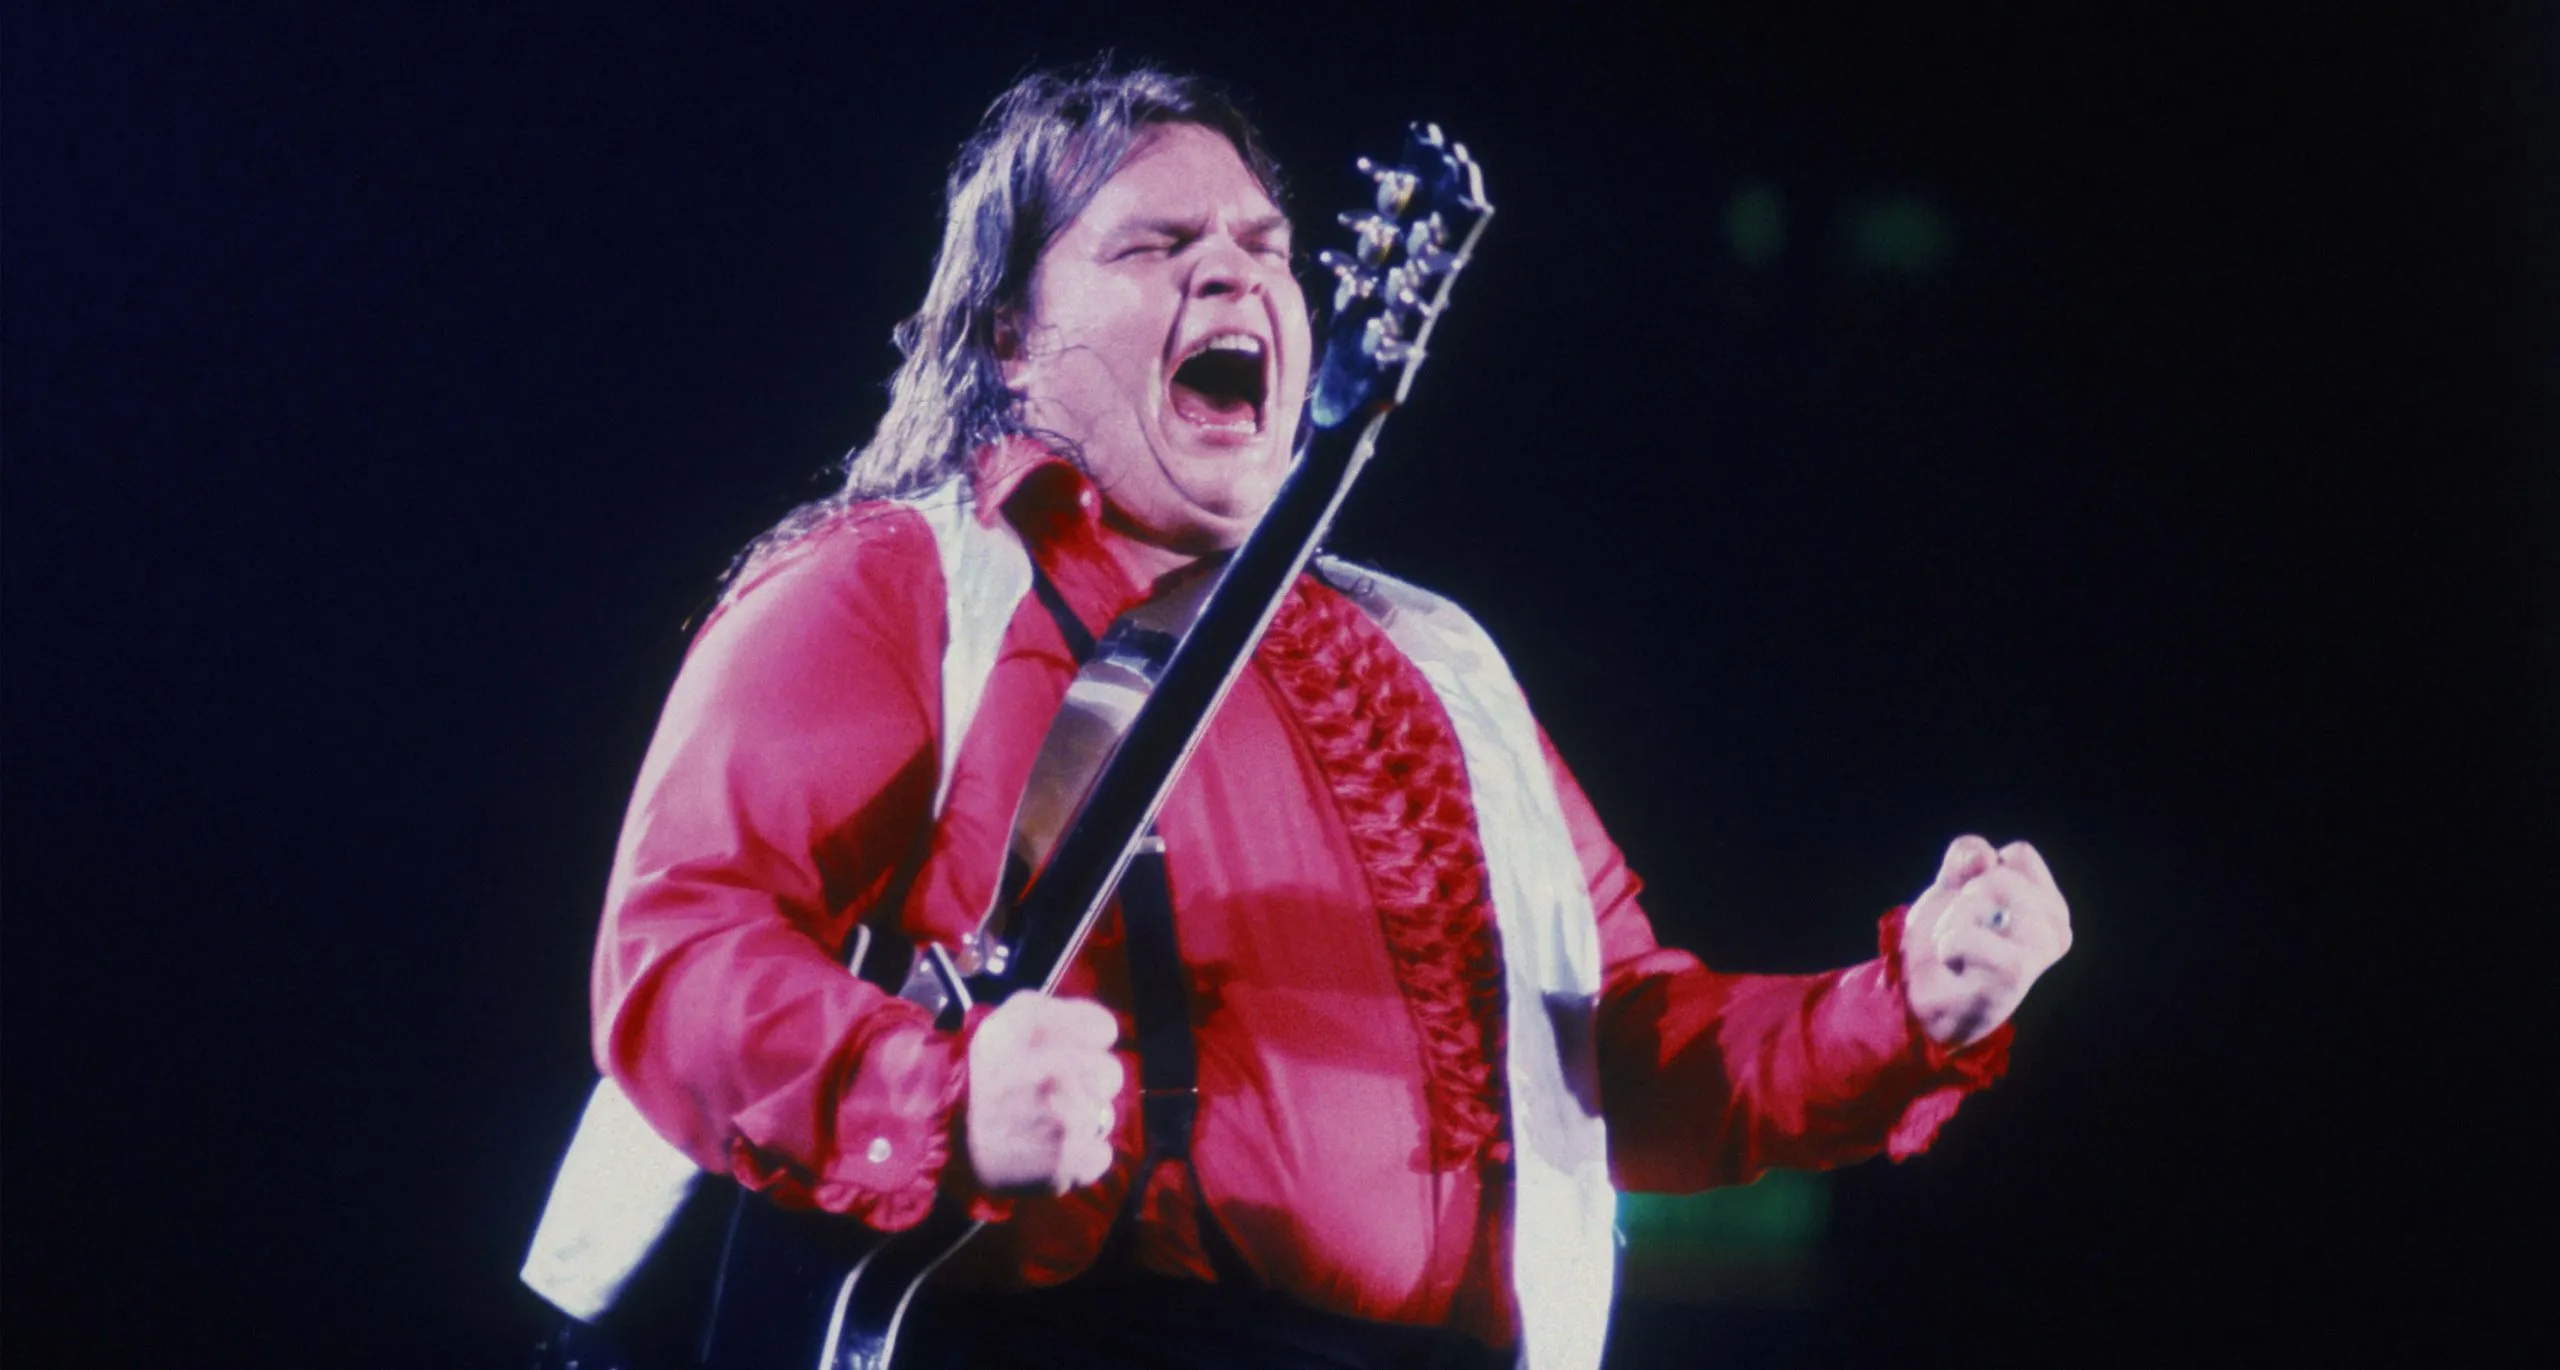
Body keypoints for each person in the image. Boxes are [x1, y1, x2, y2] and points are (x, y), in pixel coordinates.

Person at [547, 61, 2071, 1370]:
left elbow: (1613, 1046)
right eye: (1156, 244)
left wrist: (1901, 1012)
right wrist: (933, 1099)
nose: (1233, 273)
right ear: (1009, 333)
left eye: (1263, 245)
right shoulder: (898, 580)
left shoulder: (1436, 659)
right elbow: (680, 951)